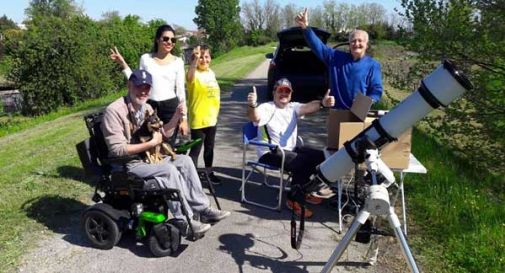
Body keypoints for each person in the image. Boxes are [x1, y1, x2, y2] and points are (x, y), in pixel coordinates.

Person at [101, 69, 230, 236]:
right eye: (139, 87)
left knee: (184, 161)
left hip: (148, 160)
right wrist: (151, 143)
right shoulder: (114, 111)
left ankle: (203, 209)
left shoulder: (146, 107)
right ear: (129, 85)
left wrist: (176, 116)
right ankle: (184, 220)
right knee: (168, 170)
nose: (143, 91)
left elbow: (164, 135)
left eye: (147, 87)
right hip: (128, 165)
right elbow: (117, 150)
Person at [246, 78, 335, 217]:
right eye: (280, 90)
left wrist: (323, 103)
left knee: (322, 156)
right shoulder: (267, 107)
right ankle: (293, 200)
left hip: (290, 150)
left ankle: (305, 191)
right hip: (270, 151)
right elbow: (254, 117)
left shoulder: (292, 107)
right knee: (300, 162)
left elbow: (308, 106)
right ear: (274, 92)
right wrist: (252, 105)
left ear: (291, 94)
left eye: (287, 91)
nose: (283, 94)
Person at [110, 24, 189, 144]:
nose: (169, 42)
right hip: (150, 108)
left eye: (173, 40)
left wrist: (183, 119)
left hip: (170, 108)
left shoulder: (178, 62)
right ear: (157, 39)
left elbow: (181, 92)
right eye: (165, 39)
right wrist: (123, 63)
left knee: (168, 145)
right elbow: (136, 81)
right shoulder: (146, 59)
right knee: (149, 144)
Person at [295, 8, 383, 109]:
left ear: (366, 45)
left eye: (360, 41)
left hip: (359, 113)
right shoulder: (336, 58)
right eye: (353, 41)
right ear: (349, 44)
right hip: (337, 112)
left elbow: (376, 89)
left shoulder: (373, 65)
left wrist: (368, 101)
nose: (356, 44)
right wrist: (305, 27)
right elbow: (318, 46)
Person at [186, 45, 221, 184]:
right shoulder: (193, 73)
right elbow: (189, 77)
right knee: (195, 151)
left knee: (209, 148)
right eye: (201, 56)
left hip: (212, 118)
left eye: (206, 56)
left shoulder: (211, 72)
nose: (204, 59)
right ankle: (191, 179)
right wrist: (194, 61)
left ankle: (209, 173)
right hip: (199, 119)